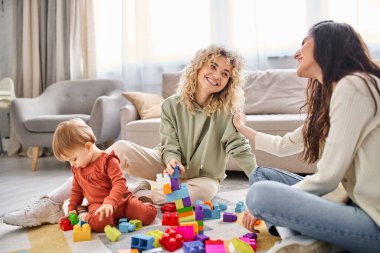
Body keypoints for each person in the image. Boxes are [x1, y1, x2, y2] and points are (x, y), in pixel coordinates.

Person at [4, 45, 257, 227]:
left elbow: (239, 146)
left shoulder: (227, 112)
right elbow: (169, 143)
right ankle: (51, 203)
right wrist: (171, 161)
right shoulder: (171, 105)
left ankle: (133, 196)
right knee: (121, 147)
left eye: (226, 73)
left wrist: (258, 179)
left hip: (203, 178)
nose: (217, 75)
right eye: (213, 66)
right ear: (199, 66)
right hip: (165, 165)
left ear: (230, 82)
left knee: (200, 194)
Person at [233, 20, 380, 253]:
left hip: (372, 222)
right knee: (262, 175)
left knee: (260, 196)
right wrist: (242, 127)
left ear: (326, 45)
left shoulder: (355, 85)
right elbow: (282, 146)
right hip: (347, 201)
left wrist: (263, 205)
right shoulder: (331, 101)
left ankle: (309, 242)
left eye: (304, 44)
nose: (296, 53)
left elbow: (327, 177)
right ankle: (303, 240)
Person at [52, 118, 157, 232]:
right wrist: (72, 209)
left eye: (74, 159)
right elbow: (77, 191)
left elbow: (119, 183)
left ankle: (142, 200)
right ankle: (82, 212)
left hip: (122, 201)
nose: (72, 164)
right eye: (69, 161)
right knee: (99, 225)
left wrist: (110, 203)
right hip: (97, 205)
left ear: (87, 147)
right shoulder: (77, 169)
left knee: (148, 216)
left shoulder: (109, 160)